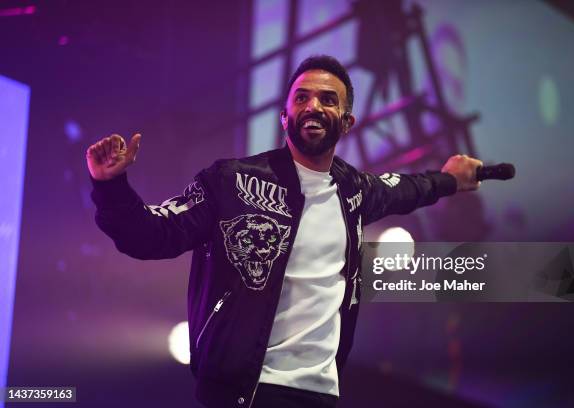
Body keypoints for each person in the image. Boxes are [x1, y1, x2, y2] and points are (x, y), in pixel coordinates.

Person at [86, 55, 482, 408]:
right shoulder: (231, 181)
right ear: (284, 116)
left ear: (347, 122)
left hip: (321, 393)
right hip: (247, 391)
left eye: (328, 100)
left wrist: (451, 179)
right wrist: (110, 186)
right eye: (301, 97)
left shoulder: (354, 191)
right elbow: (152, 234)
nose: (313, 106)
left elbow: (409, 189)